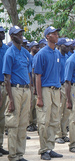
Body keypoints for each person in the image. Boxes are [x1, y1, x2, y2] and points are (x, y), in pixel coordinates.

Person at [3, 25, 32, 161]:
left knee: (23, 123)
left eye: (21, 34)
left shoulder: (25, 52)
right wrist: (11, 100)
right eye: (18, 34)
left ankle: (20, 153)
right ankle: (13, 155)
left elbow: (31, 68)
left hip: (26, 89)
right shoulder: (10, 53)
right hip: (14, 89)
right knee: (13, 123)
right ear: (12, 37)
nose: (21, 36)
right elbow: (6, 79)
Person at [34, 26, 63, 160]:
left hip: (56, 90)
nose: (57, 35)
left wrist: (60, 91)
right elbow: (38, 76)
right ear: (47, 37)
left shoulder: (57, 53)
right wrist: (39, 97)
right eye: (53, 33)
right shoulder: (41, 54)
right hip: (45, 90)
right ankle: (43, 149)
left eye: (57, 33)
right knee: (44, 121)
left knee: (54, 120)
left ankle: (50, 148)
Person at [55, 38, 71, 144]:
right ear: (60, 46)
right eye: (65, 45)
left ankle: (64, 133)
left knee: (66, 112)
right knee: (58, 111)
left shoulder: (68, 56)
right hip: (59, 86)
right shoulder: (56, 56)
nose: (68, 47)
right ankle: (57, 134)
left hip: (67, 85)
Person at [0, 26, 9, 157]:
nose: (2, 34)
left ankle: (0, 145)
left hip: (5, 85)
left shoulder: (7, 49)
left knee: (2, 118)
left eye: (2, 32)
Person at [27, 41, 40, 132]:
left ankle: (34, 123)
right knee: (30, 105)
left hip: (35, 84)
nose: (37, 49)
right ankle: (30, 123)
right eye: (35, 47)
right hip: (31, 84)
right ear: (31, 48)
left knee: (35, 105)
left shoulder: (37, 57)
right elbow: (31, 73)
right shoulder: (29, 57)